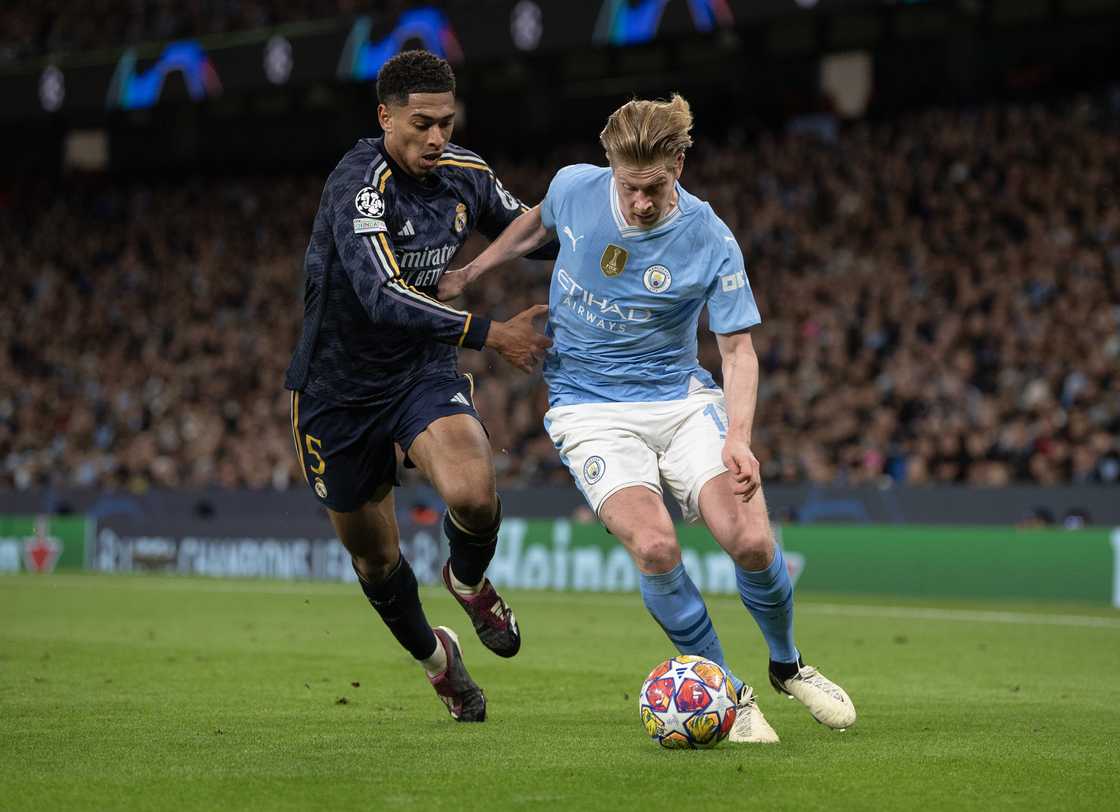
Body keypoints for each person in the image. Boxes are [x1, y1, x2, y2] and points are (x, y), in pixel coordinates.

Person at [439, 94, 856, 742]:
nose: (638, 203)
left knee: (749, 541)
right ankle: (731, 695)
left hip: (680, 400)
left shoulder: (709, 237)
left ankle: (787, 664)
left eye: (653, 188)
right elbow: (535, 224)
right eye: (629, 187)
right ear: (610, 168)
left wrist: (739, 440)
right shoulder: (576, 188)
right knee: (656, 546)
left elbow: (738, 348)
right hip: (588, 409)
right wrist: (474, 268)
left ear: (680, 166)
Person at [284, 50, 555, 722]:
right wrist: (491, 333)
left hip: (418, 372)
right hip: (335, 391)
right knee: (376, 562)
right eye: (421, 124)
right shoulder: (360, 185)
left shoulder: (466, 175)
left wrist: (610, 209)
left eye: (447, 123)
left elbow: (535, 232)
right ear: (385, 118)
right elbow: (381, 295)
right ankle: (440, 664)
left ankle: (466, 582)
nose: (437, 138)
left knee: (474, 489)